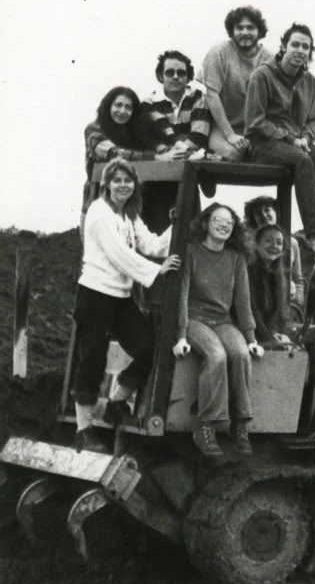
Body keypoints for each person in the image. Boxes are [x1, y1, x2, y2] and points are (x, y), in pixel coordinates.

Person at [72, 159, 178, 450]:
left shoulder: (129, 216)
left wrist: (176, 224)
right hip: (95, 294)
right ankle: (83, 429)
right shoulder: (99, 213)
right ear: (107, 184)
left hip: (121, 297)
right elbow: (119, 255)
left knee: (148, 345)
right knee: (92, 358)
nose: (123, 186)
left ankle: (117, 401)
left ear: (134, 185)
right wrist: (156, 271)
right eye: (117, 180)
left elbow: (153, 245)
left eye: (128, 181)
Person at [245, 22, 315, 258]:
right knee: (303, 161)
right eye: (295, 44)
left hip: (297, 142)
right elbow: (255, 121)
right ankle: (314, 234)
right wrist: (289, 138)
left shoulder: (309, 81)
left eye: (306, 46)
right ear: (284, 46)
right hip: (264, 144)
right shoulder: (262, 75)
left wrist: (305, 136)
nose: (300, 50)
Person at [171, 203, 264, 459]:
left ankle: (240, 424)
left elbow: (243, 303)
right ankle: (206, 426)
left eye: (229, 223)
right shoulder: (190, 253)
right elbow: (182, 294)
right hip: (194, 319)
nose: (224, 225)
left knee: (241, 353)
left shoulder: (236, 259)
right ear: (205, 224)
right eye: (218, 220)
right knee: (216, 355)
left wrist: (251, 338)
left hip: (222, 320)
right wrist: (180, 334)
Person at [82, 86, 176, 225]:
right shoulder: (94, 129)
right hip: (99, 204)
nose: (122, 111)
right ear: (108, 106)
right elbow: (114, 153)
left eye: (128, 107)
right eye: (118, 105)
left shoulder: (135, 133)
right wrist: (155, 157)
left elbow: (153, 149)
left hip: (130, 206)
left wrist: (171, 151)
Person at [201, 6, 273, 162]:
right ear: (231, 30)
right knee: (234, 154)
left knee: (267, 155)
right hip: (224, 126)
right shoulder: (218, 53)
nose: (245, 32)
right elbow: (211, 95)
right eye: (239, 28)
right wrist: (230, 135)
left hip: (256, 128)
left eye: (250, 27)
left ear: (259, 31)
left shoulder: (270, 59)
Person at [243, 195, 306, 322]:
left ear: (276, 211)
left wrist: (296, 305)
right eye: (258, 213)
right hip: (256, 306)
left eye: (267, 210)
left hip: (284, 305)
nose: (263, 215)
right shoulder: (248, 243)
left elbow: (298, 279)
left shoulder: (292, 242)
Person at [143, 50, 211, 155]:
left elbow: (198, 138)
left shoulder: (199, 98)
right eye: (170, 72)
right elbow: (154, 141)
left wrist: (176, 153)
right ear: (161, 76)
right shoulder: (149, 104)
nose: (175, 77)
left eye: (181, 73)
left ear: (188, 77)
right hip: (164, 160)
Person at [247, 223, 293, 347]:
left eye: (279, 242)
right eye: (268, 241)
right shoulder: (247, 271)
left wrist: (276, 333)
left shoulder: (278, 275)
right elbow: (252, 310)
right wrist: (269, 339)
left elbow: (278, 312)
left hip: (266, 333)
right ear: (257, 244)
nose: (274, 246)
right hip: (249, 332)